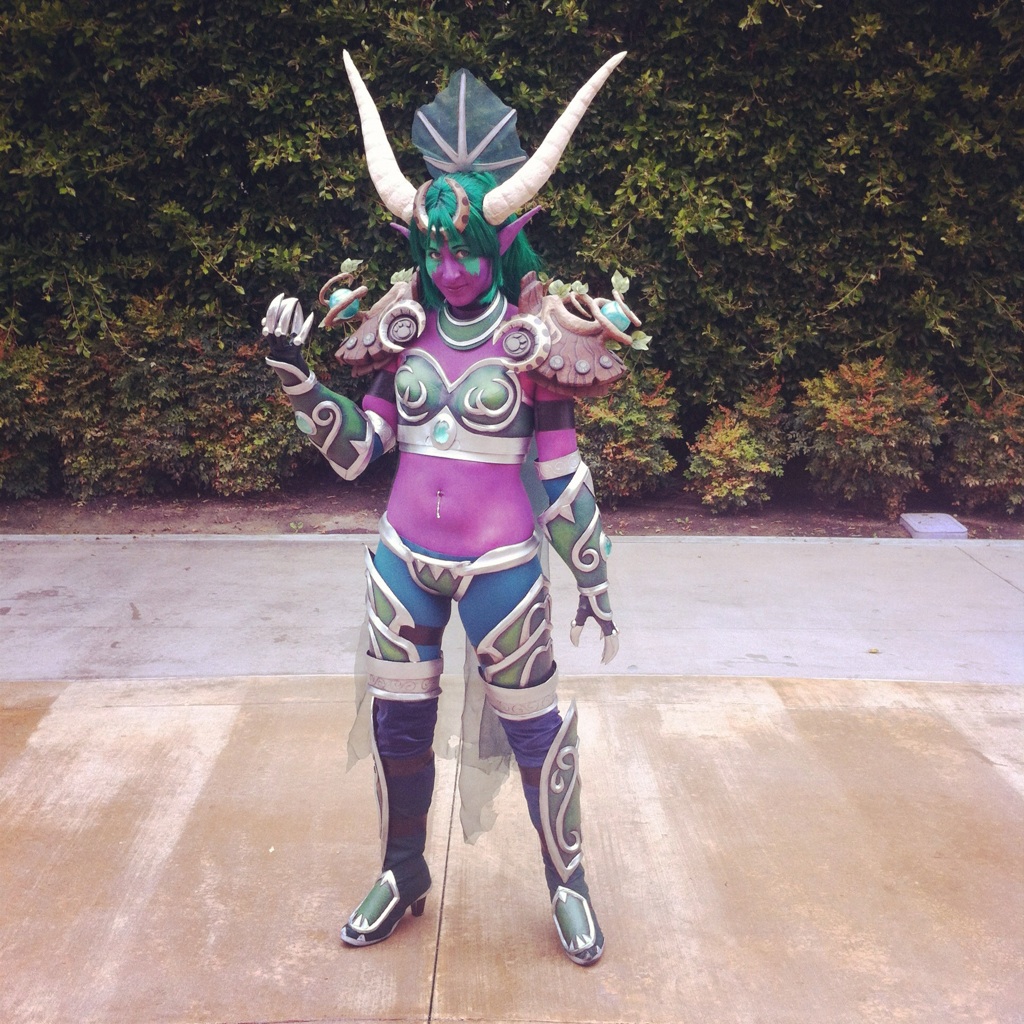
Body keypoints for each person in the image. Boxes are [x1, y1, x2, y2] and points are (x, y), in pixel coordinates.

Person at [262, 50, 639, 966]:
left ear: (506, 243)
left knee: (536, 730)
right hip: (402, 561)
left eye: (466, 248)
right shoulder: (401, 332)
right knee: (397, 727)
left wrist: (592, 579)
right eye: (434, 250)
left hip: (502, 568)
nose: (451, 265)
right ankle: (402, 871)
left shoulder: (537, 342)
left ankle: (569, 885)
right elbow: (361, 449)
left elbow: (560, 475)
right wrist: (297, 381)